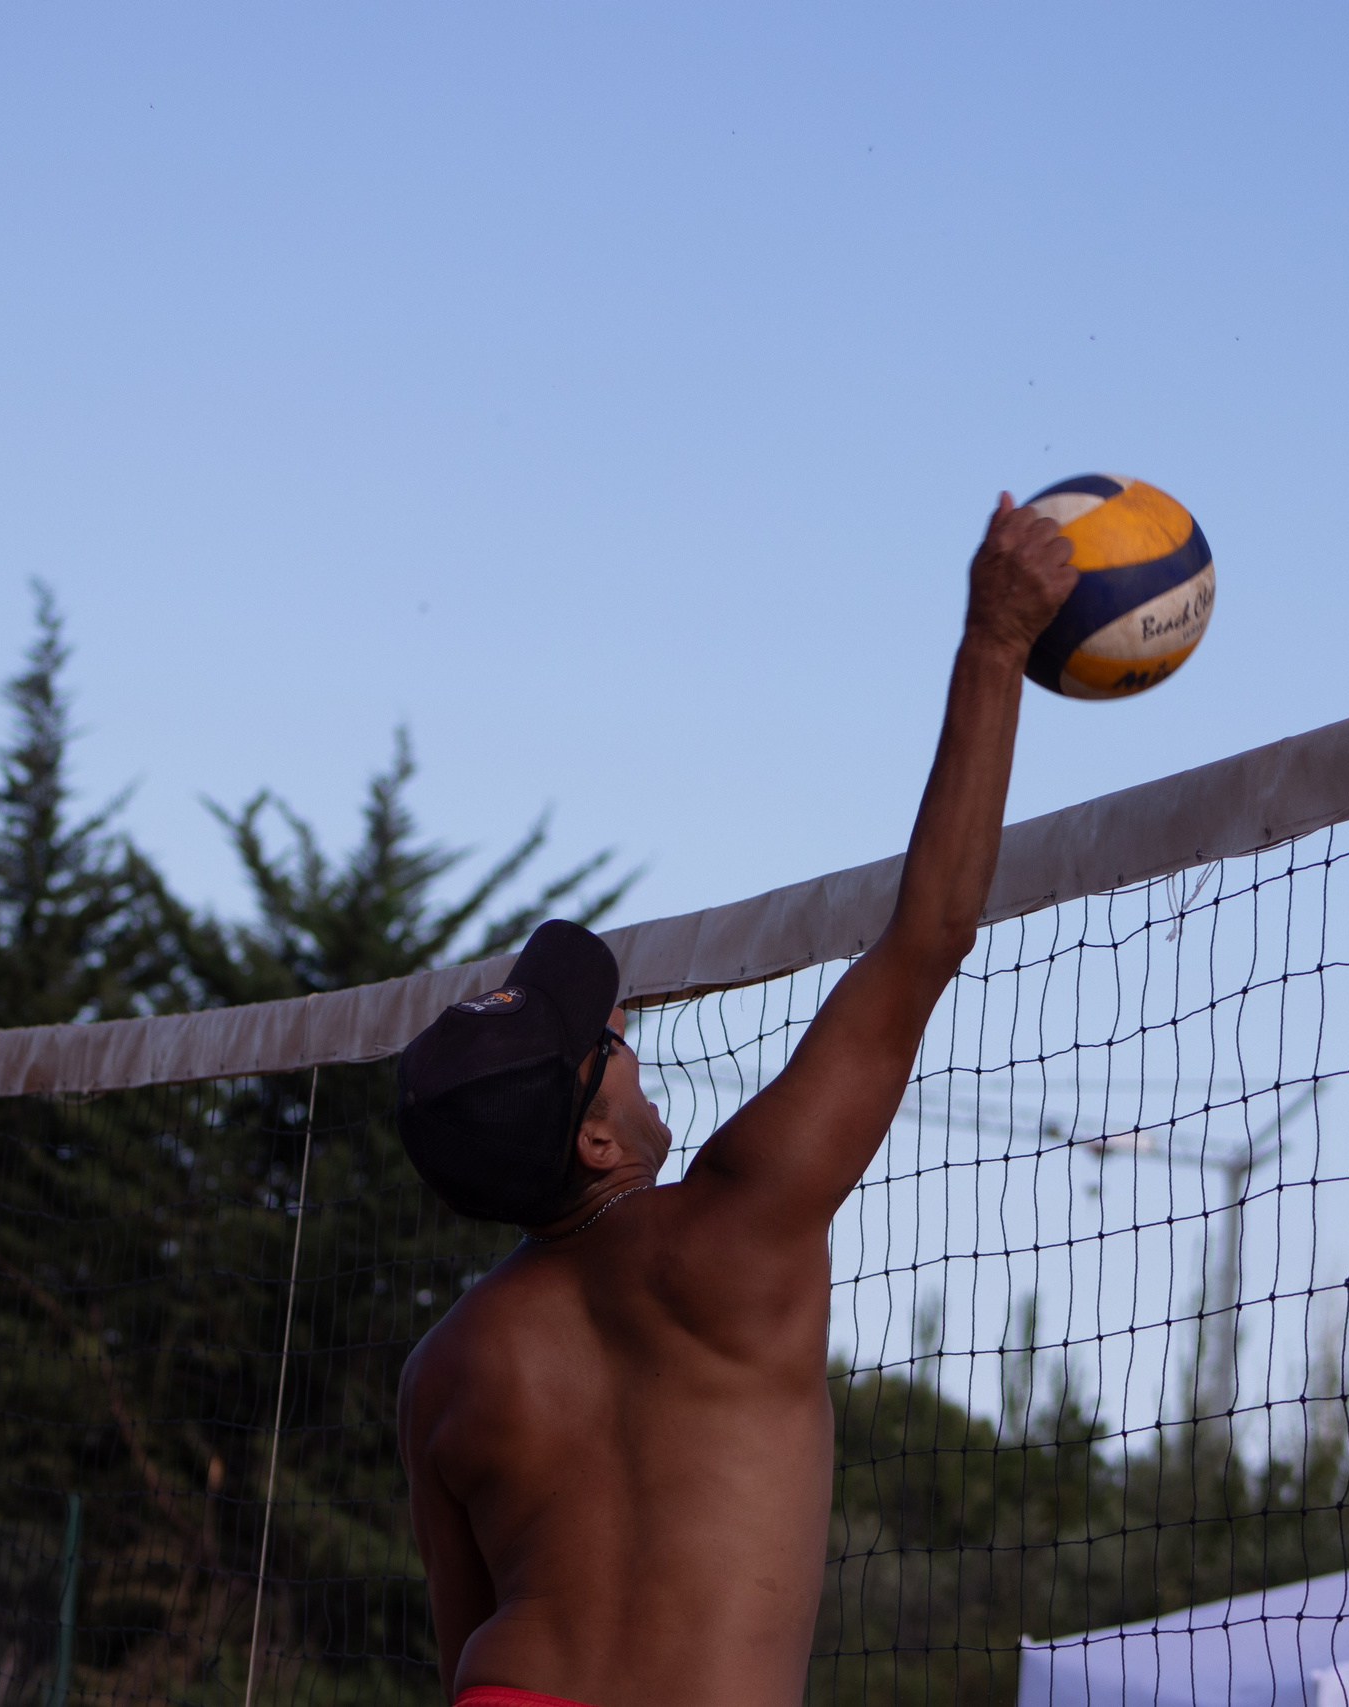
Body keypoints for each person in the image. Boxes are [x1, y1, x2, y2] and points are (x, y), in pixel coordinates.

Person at [393, 494, 1077, 1707]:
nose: (626, 1031)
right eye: (608, 1041)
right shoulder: (735, 1225)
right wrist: (995, 639)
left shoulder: (443, 1369)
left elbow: (461, 1649)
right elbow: (927, 935)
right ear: (594, 1140)